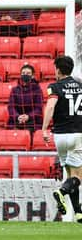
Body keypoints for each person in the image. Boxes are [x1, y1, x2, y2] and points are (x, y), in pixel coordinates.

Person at [43, 56, 82, 222]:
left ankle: (79, 213)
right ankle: (61, 192)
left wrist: (44, 129)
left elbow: (51, 106)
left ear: (58, 69)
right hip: (78, 134)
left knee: (70, 175)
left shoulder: (54, 87)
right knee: (77, 177)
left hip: (60, 136)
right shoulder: (81, 85)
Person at [7, 64, 43, 132]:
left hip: (33, 121)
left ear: (32, 76)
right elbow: (11, 107)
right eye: (23, 73)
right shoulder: (14, 90)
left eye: (28, 73)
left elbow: (39, 108)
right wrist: (18, 117)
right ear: (20, 75)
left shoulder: (37, 90)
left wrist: (28, 116)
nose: (25, 75)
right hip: (17, 120)